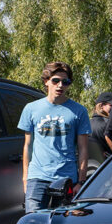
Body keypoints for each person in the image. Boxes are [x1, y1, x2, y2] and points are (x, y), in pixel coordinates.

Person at [18, 62, 91, 213]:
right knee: (33, 222)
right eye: (55, 80)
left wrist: (81, 181)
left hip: (66, 177)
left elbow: (83, 149)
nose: (60, 85)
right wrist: (25, 178)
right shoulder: (31, 109)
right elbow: (28, 146)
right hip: (37, 176)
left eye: (65, 82)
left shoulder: (79, 111)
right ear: (46, 81)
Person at [89, 91, 112, 156]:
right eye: (111, 105)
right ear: (101, 106)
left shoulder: (87, 123)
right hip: (111, 163)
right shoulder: (109, 123)